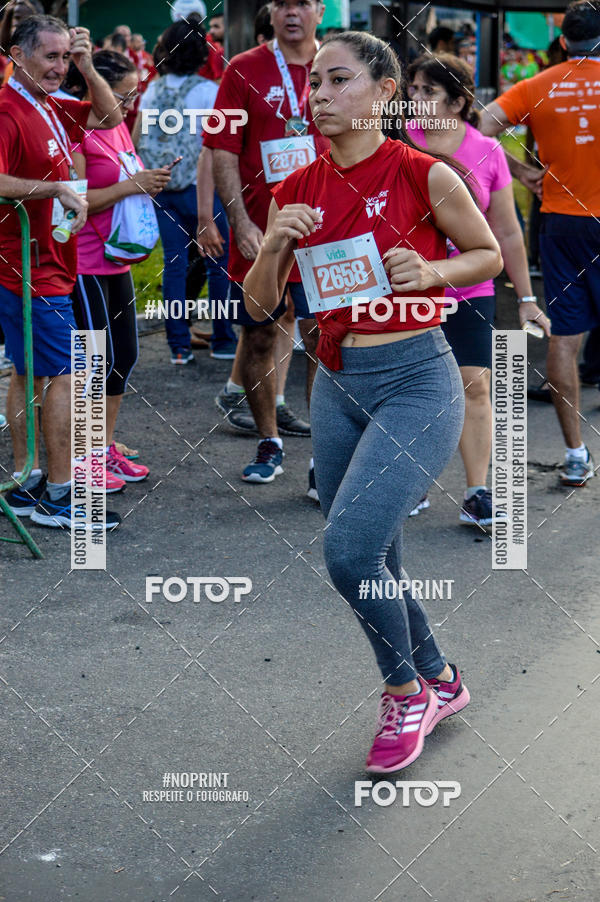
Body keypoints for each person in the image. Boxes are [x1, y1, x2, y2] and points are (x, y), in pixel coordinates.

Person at [244, 32, 503, 772]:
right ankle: (441, 676)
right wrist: (271, 250)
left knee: (349, 549)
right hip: (334, 383)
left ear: (384, 91)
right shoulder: (297, 185)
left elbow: (486, 255)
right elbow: (261, 308)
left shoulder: (426, 173)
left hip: (418, 378)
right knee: (375, 552)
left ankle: (404, 691)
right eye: (314, 84)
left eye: (338, 81)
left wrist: (431, 269)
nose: (319, 96)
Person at [405, 54, 550, 526]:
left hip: (472, 287)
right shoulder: (399, 142)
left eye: (429, 92)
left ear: (460, 101)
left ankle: (477, 491)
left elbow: (507, 232)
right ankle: (413, 486)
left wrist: (526, 298)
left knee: (474, 383)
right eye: (414, 89)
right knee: (414, 390)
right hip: (409, 287)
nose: (416, 99)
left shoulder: (486, 150)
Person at [0, 15, 122, 529]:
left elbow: (112, 116)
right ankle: (59, 494)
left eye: (63, 56)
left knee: (29, 372)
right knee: (67, 376)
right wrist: (52, 190)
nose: (58, 67)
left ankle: (27, 481)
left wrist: (88, 65)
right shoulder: (8, 109)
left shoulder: (47, 105)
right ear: (17, 55)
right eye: (49, 56)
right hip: (27, 267)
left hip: (50, 261)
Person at [204, 0, 329, 485]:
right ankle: (268, 440)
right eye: (281, 3)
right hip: (262, 229)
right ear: (270, 12)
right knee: (258, 334)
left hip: (326, 230)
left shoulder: (339, 61)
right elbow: (221, 146)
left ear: (320, 9)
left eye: (302, 2)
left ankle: (326, 457)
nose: (291, 12)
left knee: (325, 341)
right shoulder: (243, 67)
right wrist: (239, 221)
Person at [481, 0, 600, 487]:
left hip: (562, 223)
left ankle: (574, 454)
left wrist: (521, 170)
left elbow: (480, 127)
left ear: (562, 40)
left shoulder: (539, 84)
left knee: (565, 339)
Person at [69, 50, 167, 487]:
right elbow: (74, 202)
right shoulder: (74, 129)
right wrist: (133, 186)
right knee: (90, 361)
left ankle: (103, 448)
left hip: (116, 260)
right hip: (85, 260)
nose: (127, 106)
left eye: (130, 97)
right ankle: (82, 455)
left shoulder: (117, 127)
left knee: (122, 357)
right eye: (122, 95)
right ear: (93, 87)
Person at [134, 15, 236, 362]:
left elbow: (137, 139)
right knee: (218, 262)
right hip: (200, 188)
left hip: (163, 189)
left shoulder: (152, 90)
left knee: (174, 266)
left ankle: (178, 345)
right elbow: (218, 145)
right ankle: (223, 339)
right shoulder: (209, 92)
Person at [199, 11, 225, 82]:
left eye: (216, 27)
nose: (211, 31)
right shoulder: (219, 54)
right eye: (211, 27)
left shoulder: (220, 53)